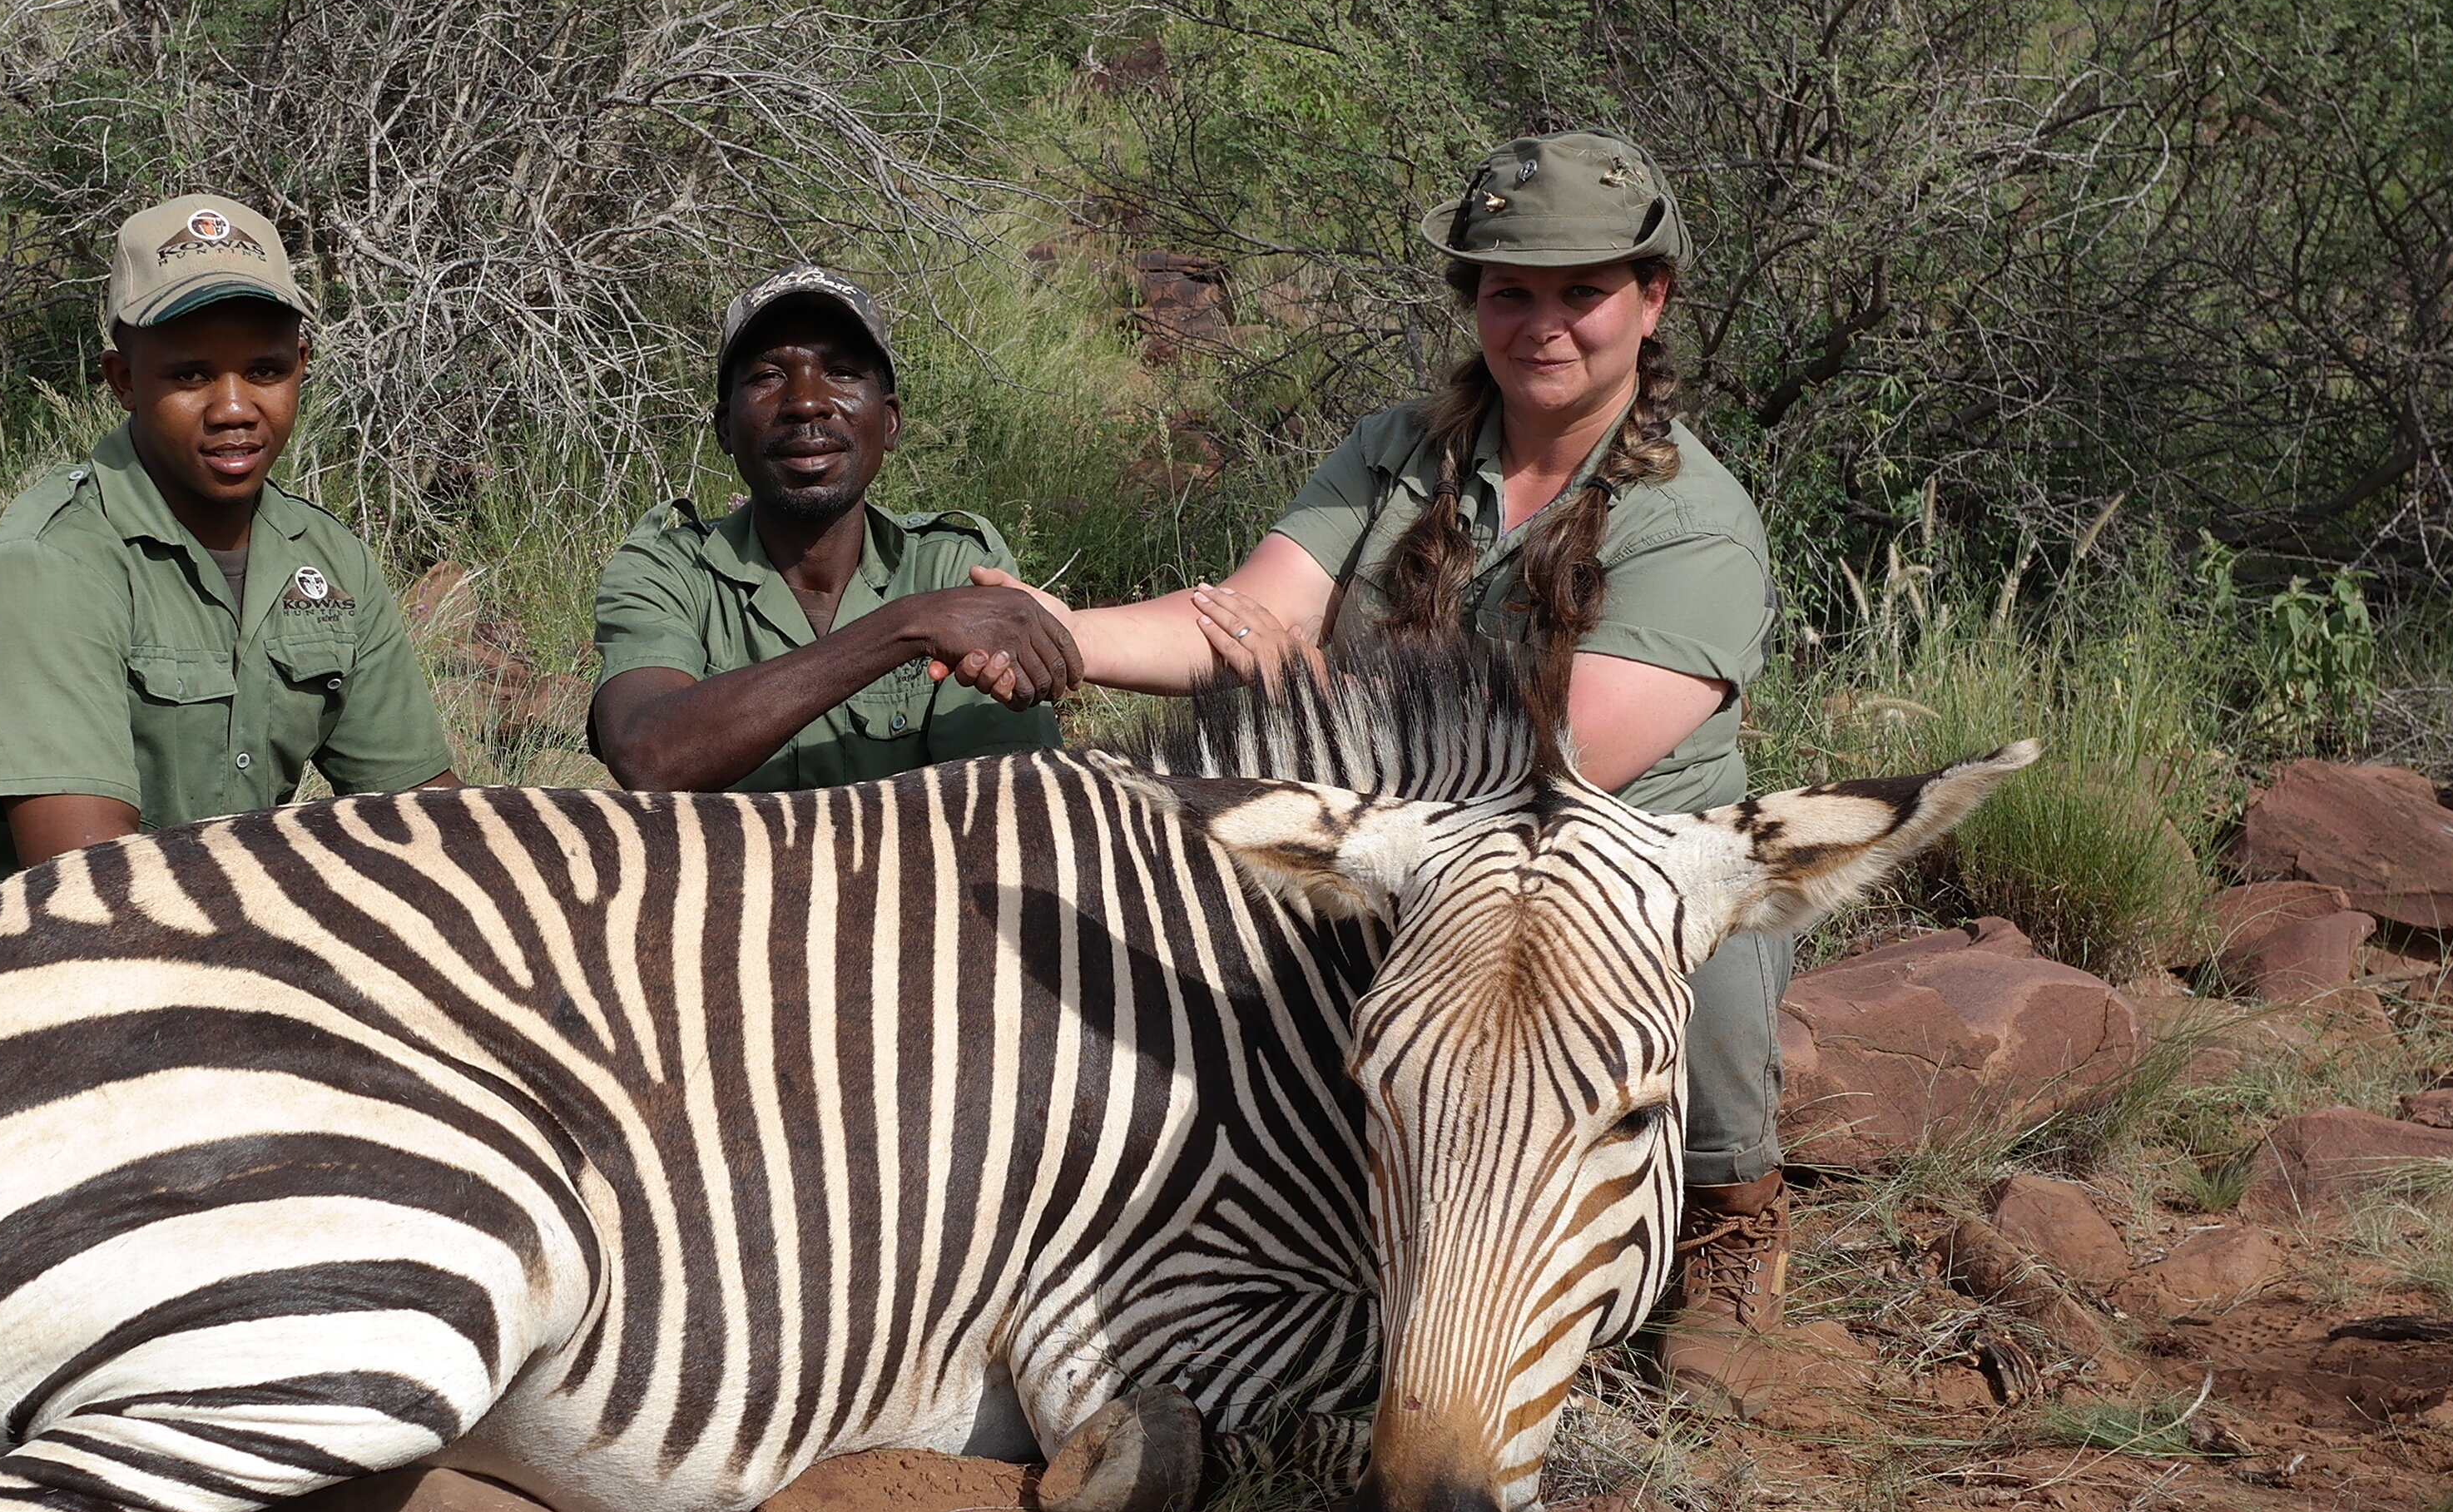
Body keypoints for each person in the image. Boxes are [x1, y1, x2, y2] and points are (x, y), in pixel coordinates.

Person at [988, 132, 1795, 1328]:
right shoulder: (1394, 451)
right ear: (1475, 299)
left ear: (1652, 299)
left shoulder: (1698, 526)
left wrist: (1305, 683)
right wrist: (1058, 630)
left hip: (1606, 842)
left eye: (1584, 293)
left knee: (1706, 946)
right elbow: (1246, 615)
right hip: (1404, 833)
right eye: (1511, 292)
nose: (1545, 326)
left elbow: (1552, 763)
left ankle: (1737, 1207)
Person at [0, 191, 454, 959]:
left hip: (224, 930)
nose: (234, 408)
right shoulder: (46, 564)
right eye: (189, 375)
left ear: (301, 369)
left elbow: (428, 825)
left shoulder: (329, 559)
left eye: (265, 370)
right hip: (15, 950)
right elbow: (83, 886)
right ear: (122, 380)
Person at [587, 266, 1078, 793]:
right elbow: (649, 756)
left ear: (889, 422)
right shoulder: (668, 567)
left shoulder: (954, 566)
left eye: (841, 372)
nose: (805, 403)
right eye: (768, 376)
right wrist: (909, 627)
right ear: (726, 428)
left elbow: (1009, 802)